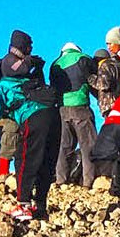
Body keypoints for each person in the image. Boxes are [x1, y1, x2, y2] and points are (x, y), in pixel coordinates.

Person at [0, 67, 60, 222]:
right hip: (54, 115)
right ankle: (40, 205)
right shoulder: (13, 81)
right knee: (46, 160)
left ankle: (23, 204)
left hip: (33, 117)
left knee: (24, 158)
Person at [0, 30, 45, 181]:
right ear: (22, 45)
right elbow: (19, 70)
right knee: (8, 140)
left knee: (11, 141)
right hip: (8, 111)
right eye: (28, 46)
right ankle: (3, 174)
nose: (30, 49)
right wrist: (31, 62)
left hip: (10, 110)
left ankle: (6, 173)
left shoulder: (9, 61)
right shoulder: (9, 60)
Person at [49, 42, 99, 188]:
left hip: (62, 108)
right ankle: (89, 181)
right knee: (88, 144)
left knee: (64, 146)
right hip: (80, 106)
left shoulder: (55, 64)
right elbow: (94, 82)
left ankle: (61, 179)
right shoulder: (83, 58)